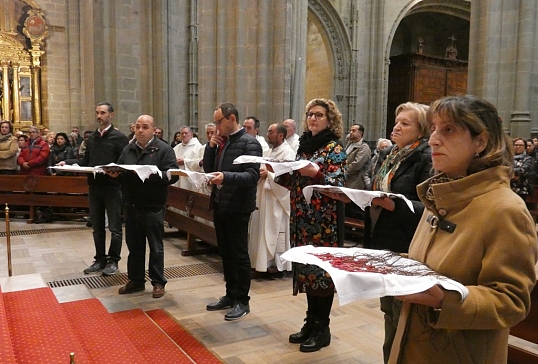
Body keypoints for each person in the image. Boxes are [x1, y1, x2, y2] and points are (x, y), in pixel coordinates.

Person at [387, 95, 537, 364]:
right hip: (415, 345)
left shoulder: (505, 210)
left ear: (480, 141)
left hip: (461, 353)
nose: (433, 139)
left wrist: (445, 299)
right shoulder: (440, 196)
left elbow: (512, 301)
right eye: (433, 128)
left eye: (448, 129)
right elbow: (431, 263)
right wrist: (390, 265)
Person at [275, 98, 346, 353]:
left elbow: (338, 184)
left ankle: (322, 328)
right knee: (307, 272)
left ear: (330, 120)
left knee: (321, 275)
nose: (313, 119)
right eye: (310, 114)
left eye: (318, 115)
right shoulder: (303, 147)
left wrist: (315, 174)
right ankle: (310, 322)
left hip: (324, 223)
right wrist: (281, 171)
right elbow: (294, 181)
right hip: (303, 220)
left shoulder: (333, 147)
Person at [203, 102, 262, 321]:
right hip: (220, 203)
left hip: (238, 206)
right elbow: (209, 170)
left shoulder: (250, 143)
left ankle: (242, 301)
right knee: (225, 253)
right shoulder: (222, 142)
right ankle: (230, 295)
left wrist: (226, 177)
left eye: (219, 122)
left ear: (232, 119)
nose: (217, 127)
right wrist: (210, 147)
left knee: (239, 254)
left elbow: (252, 176)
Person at [61, 102, 129, 276]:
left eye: (103, 113)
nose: (99, 116)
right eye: (97, 113)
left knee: (114, 227)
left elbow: (125, 164)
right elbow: (86, 162)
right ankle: (100, 259)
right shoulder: (91, 138)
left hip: (113, 188)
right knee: (97, 226)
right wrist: (67, 163)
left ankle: (113, 261)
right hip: (95, 187)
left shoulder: (119, 138)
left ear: (111, 115)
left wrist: (118, 174)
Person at [115, 114, 179, 299]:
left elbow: (173, 174)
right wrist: (115, 174)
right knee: (135, 246)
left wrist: (152, 174)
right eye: (138, 127)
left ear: (153, 130)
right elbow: (120, 169)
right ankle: (135, 280)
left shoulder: (164, 149)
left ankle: (158, 282)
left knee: (155, 247)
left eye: (145, 127)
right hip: (132, 204)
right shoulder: (128, 149)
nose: (140, 130)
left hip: (153, 204)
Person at [248, 123, 295, 274]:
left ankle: (277, 265)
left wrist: (267, 174)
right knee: (262, 229)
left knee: (275, 232)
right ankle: (262, 263)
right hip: (264, 196)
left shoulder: (288, 153)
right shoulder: (269, 152)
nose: (268, 135)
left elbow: (289, 177)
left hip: (276, 200)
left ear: (281, 135)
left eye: (271, 132)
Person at [172, 126, 205, 190]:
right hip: (178, 179)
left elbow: (200, 163)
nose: (184, 135)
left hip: (191, 181)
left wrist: (185, 161)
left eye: (186, 133)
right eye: (182, 133)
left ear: (191, 134)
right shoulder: (176, 148)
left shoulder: (198, 147)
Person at [344, 124, 371, 190]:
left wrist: (343, 172)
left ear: (360, 133)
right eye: (350, 130)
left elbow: (357, 164)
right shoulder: (349, 144)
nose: (350, 132)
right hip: (346, 181)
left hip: (355, 183)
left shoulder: (364, 147)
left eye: (353, 131)